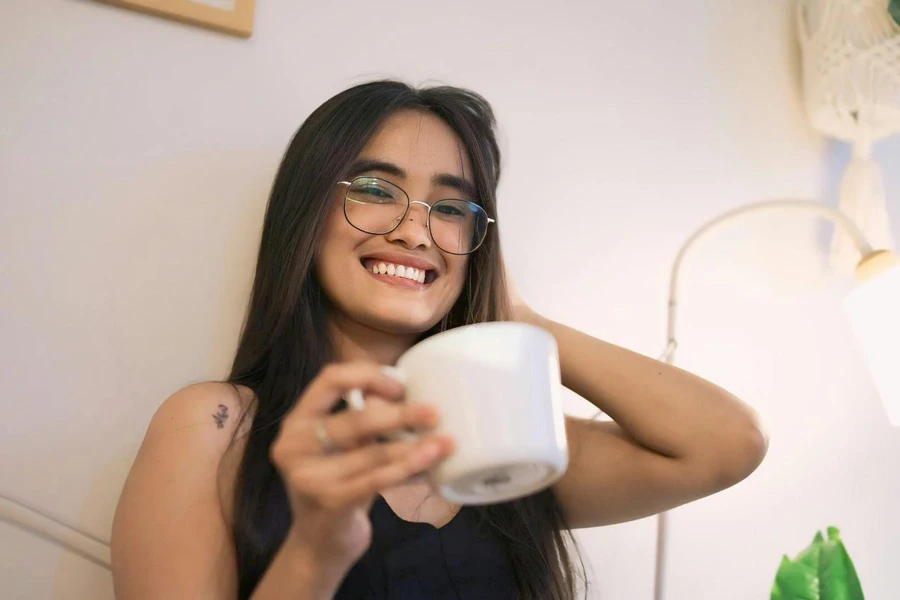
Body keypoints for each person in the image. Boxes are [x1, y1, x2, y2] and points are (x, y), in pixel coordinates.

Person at [110, 80, 768, 599]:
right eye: (375, 189)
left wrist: (522, 321)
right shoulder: (216, 428)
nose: (416, 231)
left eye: (450, 207)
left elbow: (726, 446)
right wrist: (316, 550)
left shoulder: (510, 442)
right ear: (303, 213)